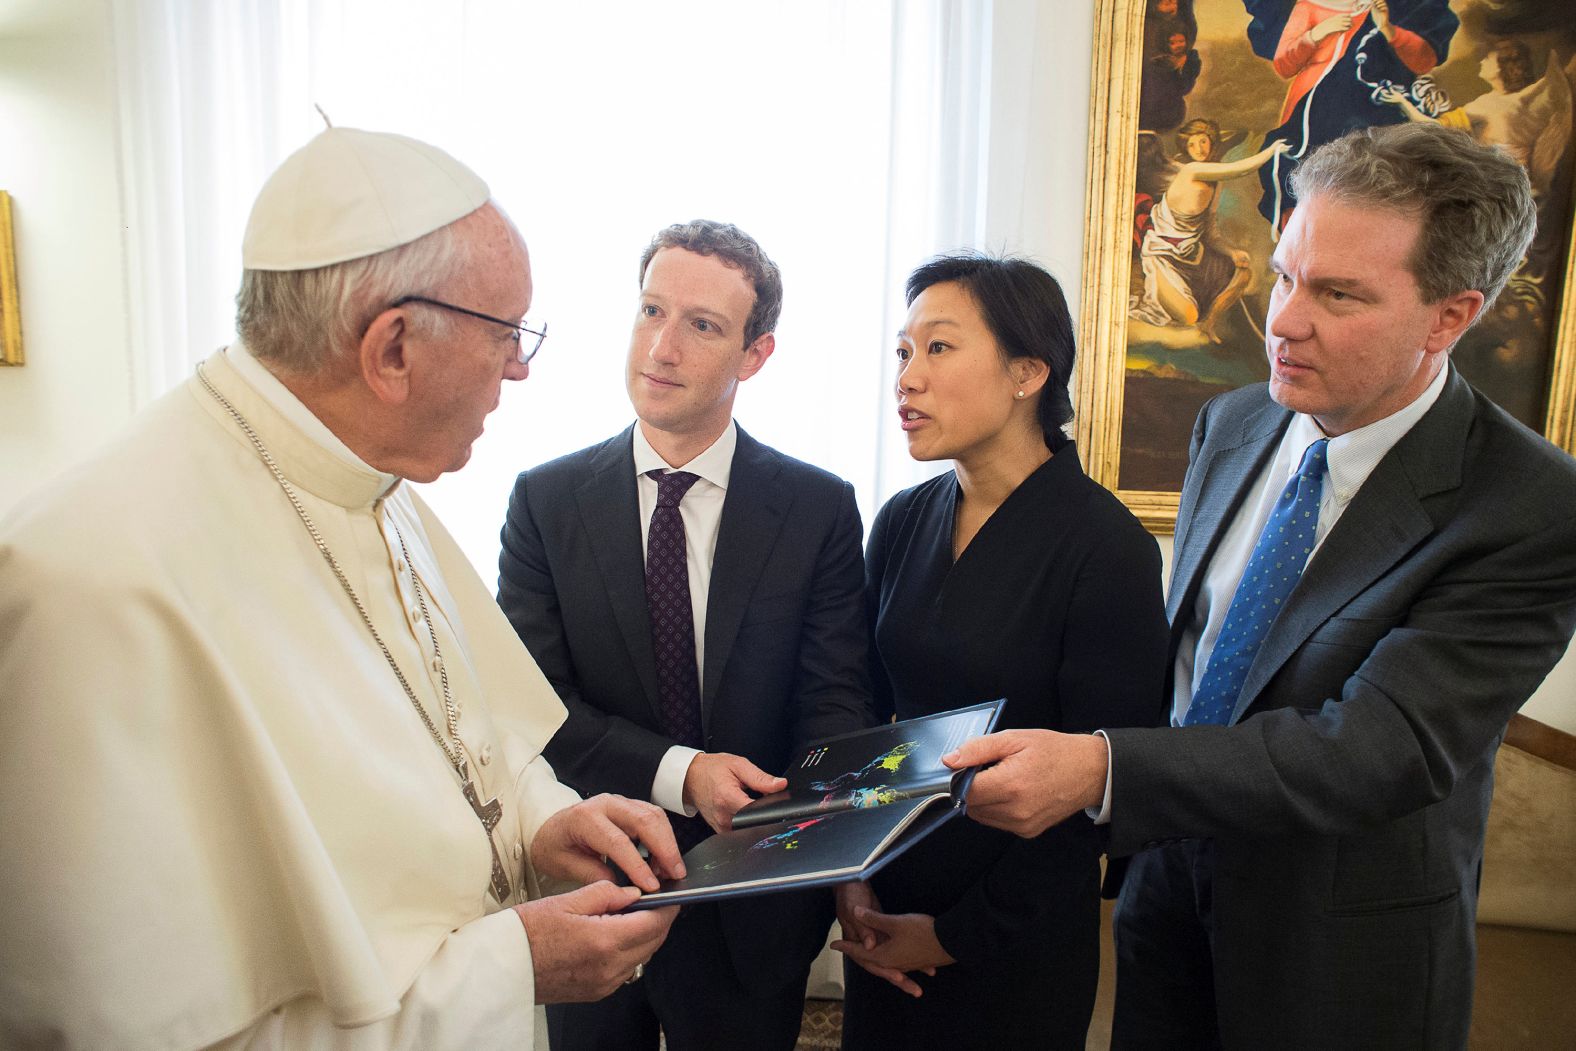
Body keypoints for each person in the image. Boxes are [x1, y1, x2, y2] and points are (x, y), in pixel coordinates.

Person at [0, 126, 682, 1050]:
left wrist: (542, 818)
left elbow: (459, 730)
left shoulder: (373, 476)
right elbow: (127, 1027)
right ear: (392, 348)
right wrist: (508, 969)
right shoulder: (90, 580)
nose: (518, 371)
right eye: (508, 336)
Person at [944, 122, 1576, 1048]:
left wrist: (1104, 769)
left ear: (1450, 316)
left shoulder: (1529, 505)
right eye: (1283, 274)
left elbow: (1375, 747)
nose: (1282, 319)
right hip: (1166, 905)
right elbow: (1188, 657)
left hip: (1340, 950)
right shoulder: (1232, 423)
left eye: (1337, 294)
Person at [497, 220, 874, 1051]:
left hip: (757, 905)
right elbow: (531, 707)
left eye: (701, 324)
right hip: (594, 887)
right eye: (650, 310)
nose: (661, 346)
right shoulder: (545, 501)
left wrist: (826, 856)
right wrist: (685, 773)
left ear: (755, 354)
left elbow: (835, 705)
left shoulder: (817, 508)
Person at [833, 254, 1169, 1049]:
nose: (907, 378)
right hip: (884, 894)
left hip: (1012, 929)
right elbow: (862, 712)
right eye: (903, 352)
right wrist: (848, 872)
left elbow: (1099, 790)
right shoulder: (903, 519)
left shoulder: (1107, 548)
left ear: (1027, 371)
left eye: (939, 348)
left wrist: (950, 935)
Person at [1129, 120, 1289, 342]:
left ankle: (1208, 326)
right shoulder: (1191, 171)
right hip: (1163, 256)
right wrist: (1271, 152)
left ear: (1211, 142)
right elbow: (1238, 170)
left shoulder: (1214, 184)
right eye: (1192, 144)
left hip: (1192, 256)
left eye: (1203, 141)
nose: (1199, 149)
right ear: (1185, 148)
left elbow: (1210, 232)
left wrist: (1231, 251)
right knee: (1188, 316)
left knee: (1243, 272)